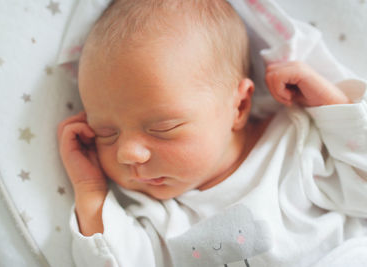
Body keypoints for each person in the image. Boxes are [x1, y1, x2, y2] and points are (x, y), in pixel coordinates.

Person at [57, 0, 367, 266]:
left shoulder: (291, 145)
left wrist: (333, 106)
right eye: (105, 133)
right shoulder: (155, 214)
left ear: (240, 105)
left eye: (162, 128)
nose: (127, 153)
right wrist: (90, 189)